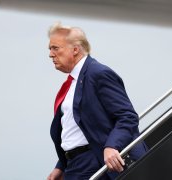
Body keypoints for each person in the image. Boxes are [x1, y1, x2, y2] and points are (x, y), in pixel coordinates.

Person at [46, 22, 148, 180]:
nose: (51, 54)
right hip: (75, 165)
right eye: (50, 49)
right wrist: (61, 165)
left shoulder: (98, 73)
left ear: (75, 49)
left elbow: (127, 116)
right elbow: (78, 130)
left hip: (93, 162)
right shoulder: (73, 82)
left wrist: (112, 145)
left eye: (55, 48)